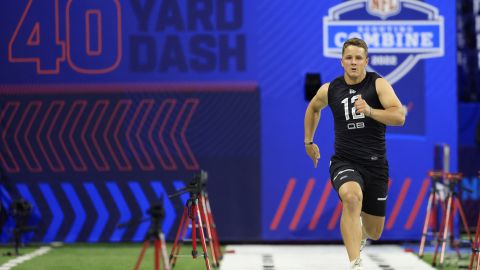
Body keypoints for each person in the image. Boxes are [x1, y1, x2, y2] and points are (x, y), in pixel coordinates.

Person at [303, 37, 405, 270]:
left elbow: (399, 116)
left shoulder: (377, 84)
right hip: (344, 161)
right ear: (341, 61)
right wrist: (309, 142)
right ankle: (355, 263)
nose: (353, 62)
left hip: (375, 165)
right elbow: (313, 108)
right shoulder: (330, 89)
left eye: (358, 58)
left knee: (375, 231)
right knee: (351, 197)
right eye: (349, 57)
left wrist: (370, 110)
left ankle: (360, 234)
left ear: (366, 61)